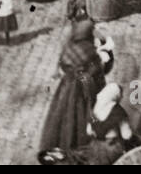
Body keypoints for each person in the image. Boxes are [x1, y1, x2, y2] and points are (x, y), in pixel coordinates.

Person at [39, 18, 106, 153]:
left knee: (63, 112)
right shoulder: (90, 50)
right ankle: (80, 142)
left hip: (68, 85)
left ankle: (62, 142)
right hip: (85, 86)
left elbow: (63, 66)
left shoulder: (68, 47)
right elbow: (97, 69)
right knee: (85, 112)